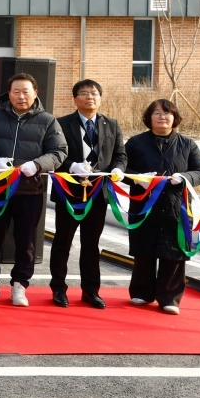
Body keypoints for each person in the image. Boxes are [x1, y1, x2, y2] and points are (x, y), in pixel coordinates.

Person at [0, 73, 68, 306]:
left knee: (26, 240)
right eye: (16, 91)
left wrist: (37, 164)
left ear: (35, 93)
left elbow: (59, 151)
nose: (21, 96)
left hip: (30, 190)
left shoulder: (48, 120)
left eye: (26, 91)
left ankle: (20, 285)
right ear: (9, 94)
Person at [48, 79, 127, 309]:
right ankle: (59, 289)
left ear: (100, 98)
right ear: (75, 99)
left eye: (94, 93)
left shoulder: (112, 124)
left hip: (98, 193)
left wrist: (117, 169)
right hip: (69, 192)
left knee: (91, 244)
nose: (89, 97)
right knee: (62, 242)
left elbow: (120, 155)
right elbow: (54, 153)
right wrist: (71, 166)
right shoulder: (61, 123)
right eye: (84, 93)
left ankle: (91, 291)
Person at [124, 99, 200, 315]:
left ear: (175, 117)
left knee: (174, 252)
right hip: (144, 205)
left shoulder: (187, 144)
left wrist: (185, 177)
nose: (162, 117)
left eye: (167, 113)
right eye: (157, 113)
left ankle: (169, 297)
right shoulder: (135, 143)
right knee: (144, 249)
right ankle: (142, 292)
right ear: (149, 117)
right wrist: (137, 178)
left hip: (176, 206)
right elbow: (121, 169)